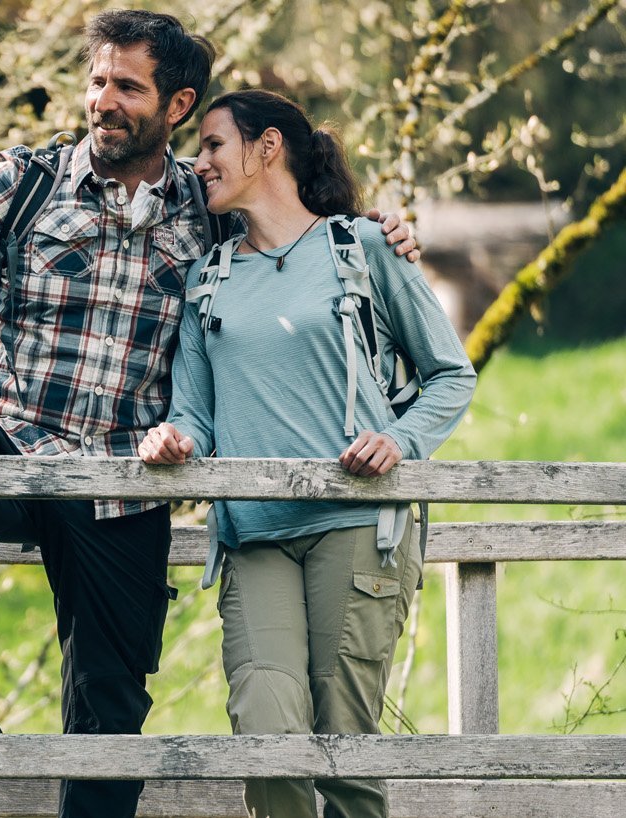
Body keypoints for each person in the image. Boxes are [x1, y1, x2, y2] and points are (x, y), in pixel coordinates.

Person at [0, 11, 416, 817]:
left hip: (125, 483)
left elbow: (300, 233)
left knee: (111, 718)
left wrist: (382, 231)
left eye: (128, 86)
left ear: (178, 104)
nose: (104, 100)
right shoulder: (24, 182)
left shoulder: (210, 205)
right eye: (97, 81)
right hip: (11, 449)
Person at [138, 89, 477, 818]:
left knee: (346, 746)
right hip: (252, 536)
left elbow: (451, 374)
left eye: (214, 146)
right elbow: (192, 412)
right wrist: (171, 438)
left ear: (268, 149)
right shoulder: (211, 277)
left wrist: (402, 439)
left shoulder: (365, 248)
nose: (199, 164)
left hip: (357, 530)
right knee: (265, 736)